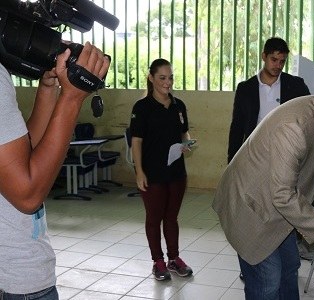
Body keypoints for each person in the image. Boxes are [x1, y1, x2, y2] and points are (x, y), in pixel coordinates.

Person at [213, 83, 314, 299]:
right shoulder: (296, 127)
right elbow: (283, 195)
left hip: (279, 206)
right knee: (268, 282)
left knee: (290, 268)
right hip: (252, 207)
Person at [0, 43, 110, 299]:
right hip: (14, 282)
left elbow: (20, 158)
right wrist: (72, 97)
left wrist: (49, 91)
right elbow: (27, 195)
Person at [130, 58, 193, 281]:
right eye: (162, 78)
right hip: (152, 173)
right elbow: (136, 142)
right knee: (154, 217)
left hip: (176, 172)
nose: (168, 83)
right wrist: (139, 171)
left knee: (172, 217)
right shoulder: (142, 107)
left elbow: (184, 133)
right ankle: (158, 261)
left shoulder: (178, 105)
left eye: (171, 78)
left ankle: (174, 259)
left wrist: (187, 143)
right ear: (151, 78)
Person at [227, 36, 310, 163]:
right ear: (264, 56)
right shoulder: (245, 88)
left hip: (287, 152)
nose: (278, 65)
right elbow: (237, 127)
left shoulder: (295, 85)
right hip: (255, 153)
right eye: (274, 59)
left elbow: (308, 116)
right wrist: (232, 161)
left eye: (282, 61)